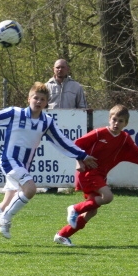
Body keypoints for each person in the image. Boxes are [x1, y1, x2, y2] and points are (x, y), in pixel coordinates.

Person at [0, 82, 97, 246]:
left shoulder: (46, 121)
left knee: (7, 202)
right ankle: (5, 218)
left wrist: (82, 155)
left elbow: (62, 141)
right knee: (30, 189)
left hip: (23, 166)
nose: (38, 101)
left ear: (46, 103)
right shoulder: (15, 113)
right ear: (29, 98)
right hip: (10, 161)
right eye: (35, 98)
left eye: (42, 99)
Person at [54, 106, 138, 246]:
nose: (116, 123)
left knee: (92, 212)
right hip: (88, 172)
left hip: (100, 176)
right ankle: (74, 209)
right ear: (109, 119)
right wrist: (78, 162)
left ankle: (62, 235)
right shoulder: (99, 133)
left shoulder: (124, 138)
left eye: (120, 121)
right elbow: (76, 146)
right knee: (108, 197)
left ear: (125, 124)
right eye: (114, 119)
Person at [44, 59, 87, 193]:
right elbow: (42, 108)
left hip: (71, 128)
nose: (60, 70)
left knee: (71, 154)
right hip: (51, 128)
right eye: (57, 67)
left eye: (62, 67)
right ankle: (51, 185)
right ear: (53, 69)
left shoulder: (76, 87)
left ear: (67, 69)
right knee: (52, 155)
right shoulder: (46, 87)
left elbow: (82, 108)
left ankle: (75, 184)